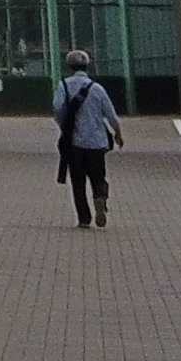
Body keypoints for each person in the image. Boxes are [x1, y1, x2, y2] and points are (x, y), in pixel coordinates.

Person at [53, 48, 119, 228]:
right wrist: (118, 133)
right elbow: (111, 114)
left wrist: (64, 125)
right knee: (99, 176)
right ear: (87, 66)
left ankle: (84, 219)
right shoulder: (97, 88)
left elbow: (58, 109)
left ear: (69, 67)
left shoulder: (63, 86)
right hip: (97, 142)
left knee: (78, 181)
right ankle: (99, 197)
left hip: (75, 143)